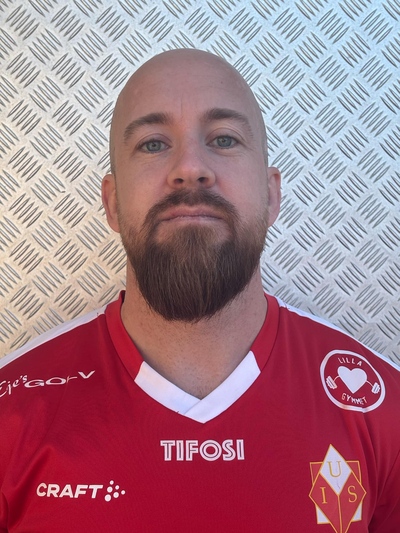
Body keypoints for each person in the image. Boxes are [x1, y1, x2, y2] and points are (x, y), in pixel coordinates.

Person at [0, 48, 399, 532]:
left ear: (272, 195)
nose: (189, 167)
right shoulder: (11, 410)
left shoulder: (383, 409)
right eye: (152, 144)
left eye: (224, 139)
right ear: (112, 203)